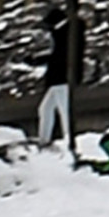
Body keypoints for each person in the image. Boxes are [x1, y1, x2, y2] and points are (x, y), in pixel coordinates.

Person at [37, 9, 84, 151]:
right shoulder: (69, 32)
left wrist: (40, 60)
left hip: (61, 77)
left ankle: (68, 138)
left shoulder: (64, 34)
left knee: (63, 110)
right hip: (59, 77)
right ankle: (45, 139)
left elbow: (59, 56)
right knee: (46, 108)